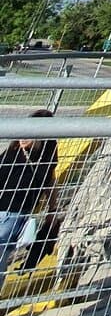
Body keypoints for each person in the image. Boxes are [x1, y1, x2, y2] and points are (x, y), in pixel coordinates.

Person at [0, 109, 58, 276]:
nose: (23, 137)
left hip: (16, 216)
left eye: (29, 133)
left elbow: (50, 180)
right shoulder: (13, 151)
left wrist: (53, 209)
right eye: (23, 131)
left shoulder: (47, 155)